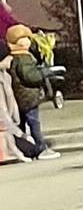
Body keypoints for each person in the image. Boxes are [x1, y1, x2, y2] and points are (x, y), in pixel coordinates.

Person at [4, 25, 58, 159]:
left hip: (19, 97)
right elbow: (30, 76)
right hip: (28, 97)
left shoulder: (13, 59)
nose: (27, 41)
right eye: (23, 39)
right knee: (34, 123)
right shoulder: (24, 59)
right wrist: (44, 73)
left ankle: (25, 148)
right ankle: (40, 148)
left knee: (21, 124)